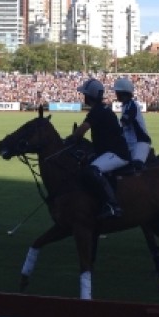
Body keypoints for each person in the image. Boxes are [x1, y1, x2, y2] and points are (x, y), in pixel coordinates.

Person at [64, 78, 130, 219]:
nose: (83, 97)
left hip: (117, 154)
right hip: (107, 151)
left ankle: (113, 206)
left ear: (90, 96)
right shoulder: (101, 109)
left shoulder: (97, 111)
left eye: (84, 94)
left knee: (92, 170)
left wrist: (69, 140)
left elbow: (82, 129)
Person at [112, 77, 151, 172]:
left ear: (123, 93)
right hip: (130, 143)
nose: (116, 94)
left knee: (137, 167)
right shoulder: (125, 105)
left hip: (140, 142)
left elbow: (123, 123)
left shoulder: (131, 105)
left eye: (117, 92)